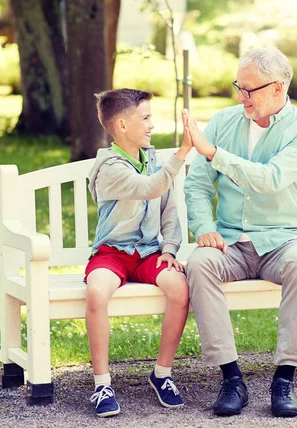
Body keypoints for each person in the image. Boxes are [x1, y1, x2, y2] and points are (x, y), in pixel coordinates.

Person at [182, 47, 297, 418]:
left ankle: (285, 379)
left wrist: (215, 153)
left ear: (277, 88)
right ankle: (231, 379)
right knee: (199, 264)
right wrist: (204, 226)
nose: (240, 97)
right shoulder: (223, 121)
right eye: (238, 87)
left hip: (283, 240)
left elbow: (270, 179)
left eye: (249, 89)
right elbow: (197, 184)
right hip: (229, 241)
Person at [85, 88, 192, 417]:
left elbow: (169, 210)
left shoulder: (154, 160)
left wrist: (170, 249)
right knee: (96, 293)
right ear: (121, 125)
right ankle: (102, 383)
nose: (151, 125)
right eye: (145, 118)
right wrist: (183, 152)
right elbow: (150, 187)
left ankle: (162, 374)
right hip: (112, 253)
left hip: (148, 253)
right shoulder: (110, 168)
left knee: (180, 289)